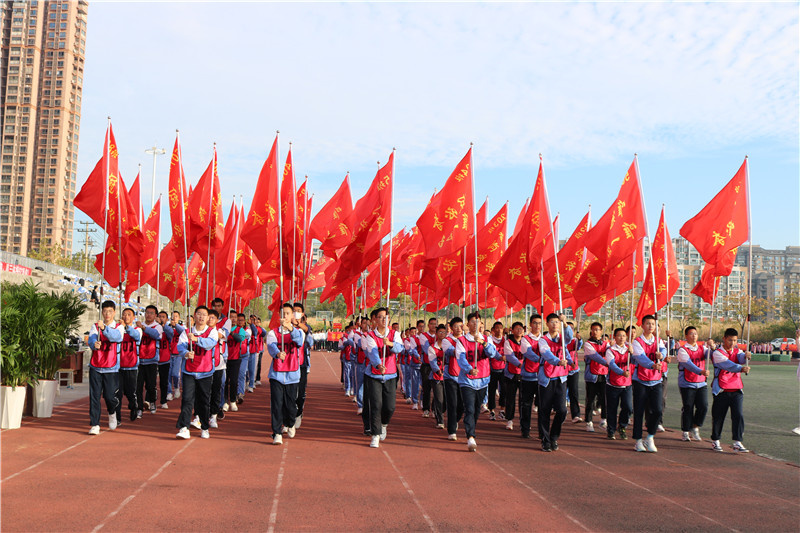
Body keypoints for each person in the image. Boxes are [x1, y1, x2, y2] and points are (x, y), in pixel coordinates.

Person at [456, 312, 501, 452]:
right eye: (472, 322)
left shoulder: (487, 339)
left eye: (478, 322)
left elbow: (492, 354)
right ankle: (470, 436)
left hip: (483, 379)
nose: (475, 324)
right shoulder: (461, 341)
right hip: (467, 380)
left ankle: (472, 428)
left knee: (476, 409)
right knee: (469, 408)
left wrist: (483, 343)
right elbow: (461, 359)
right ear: (467, 324)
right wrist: (469, 369)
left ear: (481, 324)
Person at [175, 306, 218, 439]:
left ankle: (204, 427)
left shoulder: (212, 332)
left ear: (208, 317)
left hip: (205, 371)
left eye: (204, 314)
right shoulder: (186, 332)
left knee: (203, 401)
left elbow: (210, 344)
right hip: (189, 371)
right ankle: (184, 427)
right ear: (194, 315)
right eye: (199, 314)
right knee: (187, 399)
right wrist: (186, 353)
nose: (201, 317)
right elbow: (180, 346)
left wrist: (196, 340)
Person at [362, 307, 403, 448]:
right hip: (374, 375)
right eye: (380, 317)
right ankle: (375, 434)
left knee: (390, 407)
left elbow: (399, 348)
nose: (383, 320)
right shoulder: (370, 336)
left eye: (386, 317)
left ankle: (384, 424)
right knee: (376, 404)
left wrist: (390, 344)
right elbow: (372, 353)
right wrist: (379, 365)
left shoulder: (394, 334)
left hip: (390, 374)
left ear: (389, 319)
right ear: (375, 320)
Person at [267, 303, 305, 445]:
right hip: (276, 374)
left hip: (292, 374)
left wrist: (290, 328)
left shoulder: (299, 332)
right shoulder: (273, 333)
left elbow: (299, 342)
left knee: (290, 405)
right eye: (283, 313)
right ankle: (277, 433)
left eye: (288, 313)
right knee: (277, 404)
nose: (285, 316)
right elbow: (271, 346)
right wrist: (277, 353)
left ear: (292, 315)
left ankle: (290, 423)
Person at [537, 313, 574, 452]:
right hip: (547, 379)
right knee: (545, 410)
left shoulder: (562, 339)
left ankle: (554, 436)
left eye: (557, 322)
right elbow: (546, 354)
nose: (555, 324)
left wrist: (565, 323)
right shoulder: (543, 340)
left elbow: (569, 337)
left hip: (561, 378)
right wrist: (558, 361)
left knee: (562, 410)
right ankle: (546, 440)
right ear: (547, 324)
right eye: (552, 322)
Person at [709, 327, 751, 452]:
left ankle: (737, 442)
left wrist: (747, 356)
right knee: (718, 416)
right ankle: (716, 440)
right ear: (724, 339)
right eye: (730, 340)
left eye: (735, 340)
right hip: (721, 390)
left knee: (738, 415)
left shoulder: (737, 351)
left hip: (736, 389)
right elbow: (728, 365)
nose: (732, 343)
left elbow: (741, 358)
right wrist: (741, 368)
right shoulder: (717, 353)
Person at [87, 300, 124, 435]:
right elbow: (91, 339)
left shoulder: (119, 327)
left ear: (114, 312)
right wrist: (94, 344)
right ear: (101, 312)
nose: (107, 314)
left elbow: (116, 338)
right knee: (94, 397)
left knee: (109, 396)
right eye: (105, 311)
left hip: (111, 367)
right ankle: (95, 424)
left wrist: (104, 329)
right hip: (96, 366)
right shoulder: (95, 326)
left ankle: (112, 411)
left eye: (110, 311)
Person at [631, 315, 667, 453]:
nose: (651, 326)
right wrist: (652, 365)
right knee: (639, 411)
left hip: (656, 381)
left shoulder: (658, 341)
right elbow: (641, 358)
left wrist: (661, 355)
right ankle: (638, 440)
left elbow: (663, 350)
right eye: (648, 323)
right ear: (642, 325)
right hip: (640, 381)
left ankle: (650, 436)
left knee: (657, 410)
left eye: (653, 324)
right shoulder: (637, 342)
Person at [676, 326, 712, 442]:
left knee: (703, 406)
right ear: (686, 336)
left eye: (695, 334)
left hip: (701, 383)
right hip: (687, 383)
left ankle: (695, 426)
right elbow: (688, 364)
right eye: (691, 333)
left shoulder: (702, 348)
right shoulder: (682, 350)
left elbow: (712, 355)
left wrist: (713, 347)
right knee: (688, 407)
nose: (694, 336)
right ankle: (685, 431)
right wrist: (700, 371)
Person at [605, 328, 634, 440]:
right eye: (619, 335)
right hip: (613, 384)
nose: (622, 338)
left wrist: (632, 353)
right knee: (612, 408)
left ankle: (622, 426)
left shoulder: (629, 349)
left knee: (628, 407)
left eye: (624, 336)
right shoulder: (610, 350)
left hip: (627, 384)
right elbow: (612, 365)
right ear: (615, 337)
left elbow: (636, 361)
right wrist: (622, 372)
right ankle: (611, 430)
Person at [442, 316, 466, 441]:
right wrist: (464, 343)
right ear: (451, 328)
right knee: (452, 403)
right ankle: (451, 430)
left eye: (461, 326)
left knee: (462, 405)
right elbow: (454, 352)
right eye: (456, 326)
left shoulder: (467, 339)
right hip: (450, 376)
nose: (459, 329)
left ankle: (455, 420)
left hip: (464, 376)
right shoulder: (446, 340)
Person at [135, 305, 162, 417]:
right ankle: (139, 408)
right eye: (147, 312)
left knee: (151, 386)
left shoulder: (158, 327)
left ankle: (152, 401)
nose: (148, 315)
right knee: (138, 386)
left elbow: (155, 335)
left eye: (151, 313)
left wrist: (143, 328)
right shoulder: (139, 325)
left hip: (152, 360)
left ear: (155, 315)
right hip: (139, 360)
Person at [583, 322, 609, 432]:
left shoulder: (606, 344)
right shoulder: (588, 344)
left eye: (597, 329)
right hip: (592, 375)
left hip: (604, 375)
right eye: (593, 329)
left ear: (601, 331)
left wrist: (612, 347)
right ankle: (589, 421)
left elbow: (611, 354)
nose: (595, 331)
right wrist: (607, 363)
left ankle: (604, 419)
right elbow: (595, 356)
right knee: (590, 399)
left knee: (604, 399)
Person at [116, 308, 141, 424]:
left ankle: (133, 406)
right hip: (118, 367)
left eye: (129, 315)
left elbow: (136, 336)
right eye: (124, 314)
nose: (126, 317)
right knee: (117, 393)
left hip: (131, 366)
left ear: (133, 317)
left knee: (130, 392)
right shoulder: (118, 330)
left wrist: (126, 327)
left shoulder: (137, 329)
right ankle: (117, 417)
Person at [293, 303, 313, 429]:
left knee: (300, 393)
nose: (296, 312)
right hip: (289, 365)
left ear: (302, 313)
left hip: (302, 364)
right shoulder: (286, 326)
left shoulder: (306, 327)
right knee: (289, 393)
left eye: (298, 311)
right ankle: (289, 417)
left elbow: (307, 330)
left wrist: (298, 324)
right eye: (293, 310)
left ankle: (299, 413)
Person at [426, 324, 449, 429]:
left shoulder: (449, 347)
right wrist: (438, 370)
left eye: (444, 332)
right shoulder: (432, 348)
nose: (442, 334)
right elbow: (432, 362)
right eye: (440, 332)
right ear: (436, 334)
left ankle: (436, 409)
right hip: (436, 377)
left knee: (446, 400)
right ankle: (440, 420)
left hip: (448, 376)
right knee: (439, 399)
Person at [225, 312, 248, 412]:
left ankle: (233, 401)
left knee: (234, 381)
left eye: (235, 317)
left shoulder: (240, 329)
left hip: (235, 359)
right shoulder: (223, 329)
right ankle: (225, 401)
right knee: (224, 381)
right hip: (224, 359)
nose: (233, 319)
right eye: (231, 317)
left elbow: (240, 339)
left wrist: (232, 333)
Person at [417, 318, 437, 418]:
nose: (434, 326)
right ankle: (426, 409)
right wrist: (436, 349)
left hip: (437, 365)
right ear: (428, 325)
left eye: (435, 324)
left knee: (437, 389)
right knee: (426, 388)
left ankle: (434, 409)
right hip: (427, 365)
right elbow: (426, 349)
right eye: (432, 324)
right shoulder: (423, 336)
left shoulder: (439, 335)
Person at [487, 321, 506, 421]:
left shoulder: (506, 340)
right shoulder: (490, 340)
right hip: (492, 369)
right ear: (493, 330)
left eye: (501, 328)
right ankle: (492, 411)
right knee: (491, 390)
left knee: (504, 390)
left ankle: (502, 410)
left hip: (503, 369)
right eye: (497, 328)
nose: (499, 330)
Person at [565, 321, 583, 423]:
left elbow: (579, 345)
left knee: (574, 393)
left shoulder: (574, 341)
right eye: (568, 328)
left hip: (573, 370)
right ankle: (560, 411)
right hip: (562, 370)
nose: (570, 330)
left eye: (572, 328)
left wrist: (579, 339)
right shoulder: (560, 340)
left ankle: (576, 415)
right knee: (561, 393)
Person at [166, 311, 185, 401]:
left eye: (176, 316)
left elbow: (182, 331)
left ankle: (176, 388)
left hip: (178, 355)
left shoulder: (182, 327)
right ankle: (169, 392)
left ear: (179, 318)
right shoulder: (169, 328)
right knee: (168, 374)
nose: (174, 318)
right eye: (173, 316)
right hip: (169, 354)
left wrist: (176, 325)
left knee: (175, 374)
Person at [157, 311, 173, 409]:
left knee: (163, 381)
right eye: (159, 316)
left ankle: (163, 400)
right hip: (154, 359)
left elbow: (171, 334)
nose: (161, 318)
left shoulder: (167, 329)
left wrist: (163, 325)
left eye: (163, 317)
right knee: (150, 382)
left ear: (167, 319)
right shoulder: (153, 328)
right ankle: (149, 400)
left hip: (164, 359)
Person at [340, 323, 355, 396]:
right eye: (351, 329)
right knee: (347, 374)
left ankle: (352, 387)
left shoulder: (357, 335)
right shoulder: (345, 337)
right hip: (347, 357)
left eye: (353, 329)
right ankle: (347, 389)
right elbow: (342, 345)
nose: (352, 330)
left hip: (354, 358)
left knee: (353, 374)